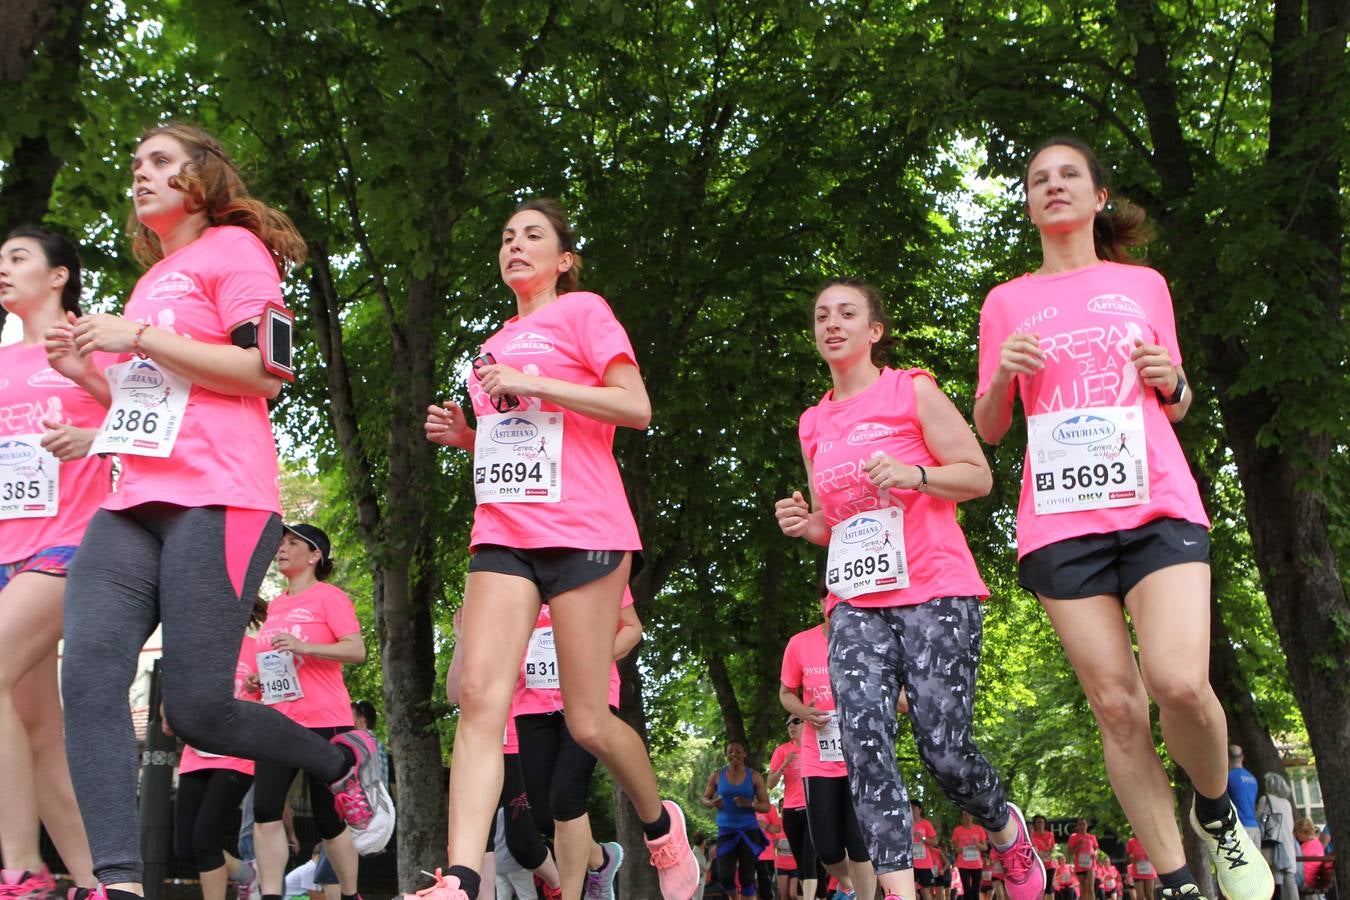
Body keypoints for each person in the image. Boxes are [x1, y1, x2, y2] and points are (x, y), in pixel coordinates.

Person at [51, 122, 380, 900]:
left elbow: (266, 371)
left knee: (199, 708)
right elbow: (155, 406)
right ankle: (119, 883)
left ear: (202, 177)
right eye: (134, 165)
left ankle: (341, 761)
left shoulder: (236, 253)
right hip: (134, 499)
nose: (141, 175)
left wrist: (138, 334)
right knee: (91, 678)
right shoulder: (150, 281)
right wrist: (91, 376)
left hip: (222, 499)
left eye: (160, 162)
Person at [972, 135, 1271, 900]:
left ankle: (1214, 812)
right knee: (1115, 704)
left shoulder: (1143, 284)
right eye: (1039, 179)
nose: (1054, 186)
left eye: (1069, 174)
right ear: (1030, 202)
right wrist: (1003, 374)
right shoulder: (1006, 302)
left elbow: (1177, 394)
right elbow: (990, 427)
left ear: (1098, 196)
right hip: (1062, 521)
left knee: (1177, 680)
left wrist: (1172, 378)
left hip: (1156, 501)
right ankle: (1174, 881)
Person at [416, 198, 698, 900]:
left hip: (587, 533)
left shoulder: (584, 312)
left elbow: (635, 407)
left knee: (588, 720)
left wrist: (534, 381)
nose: (515, 246)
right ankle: (459, 877)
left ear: (563, 259)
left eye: (532, 236)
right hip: (505, 534)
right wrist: (469, 438)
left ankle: (661, 827)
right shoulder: (493, 343)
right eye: (507, 237)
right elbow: (533, 446)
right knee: (481, 697)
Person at [775, 279, 1045, 900]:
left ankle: (1005, 829)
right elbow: (832, 522)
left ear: (874, 330)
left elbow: (977, 476)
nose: (832, 324)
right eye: (821, 315)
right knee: (864, 745)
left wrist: (913, 474)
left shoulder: (910, 389)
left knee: (944, 751)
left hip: (934, 591)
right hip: (853, 602)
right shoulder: (814, 422)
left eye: (847, 314)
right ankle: (896, 891)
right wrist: (806, 523)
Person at [0, 226, 101, 900]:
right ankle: (105, 884)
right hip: (6, 556)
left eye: (16, 258)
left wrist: (96, 435)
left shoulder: (91, 345)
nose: (1, 269)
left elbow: (162, 423)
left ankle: (22, 870)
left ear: (59, 274)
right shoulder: (2, 364)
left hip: (72, 546)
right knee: (39, 737)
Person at [248, 524, 369, 900]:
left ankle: (350, 895)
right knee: (266, 810)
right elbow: (277, 662)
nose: (282, 549)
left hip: (325, 721)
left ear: (315, 555)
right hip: (278, 722)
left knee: (329, 818)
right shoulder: (275, 605)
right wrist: (259, 679)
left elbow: (355, 650)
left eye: (292, 543)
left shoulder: (329, 598)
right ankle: (270, 894)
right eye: (280, 543)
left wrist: (306, 646)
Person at [512, 596, 638, 899]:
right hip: (530, 701)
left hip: (589, 693)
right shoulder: (511, 570)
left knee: (566, 797)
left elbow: (632, 628)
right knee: (544, 816)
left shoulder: (594, 561)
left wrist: (590, 657)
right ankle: (600, 859)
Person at [778, 598, 876, 899]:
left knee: (860, 845)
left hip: (861, 758)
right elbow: (786, 693)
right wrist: (805, 713)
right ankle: (848, 885)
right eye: (831, 599)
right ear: (822, 603)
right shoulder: (800, 644)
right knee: (827, 848)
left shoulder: (870, 639)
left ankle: (864, 895)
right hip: (818, 760)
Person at [167, 599, 265, 900]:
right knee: (185, 848)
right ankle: (245, 874)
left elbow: (280, 693)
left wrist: (263, 681)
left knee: (205, 840)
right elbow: (179, 689)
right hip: (197, 754)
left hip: (236, 754)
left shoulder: (258, 648)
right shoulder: (201, 649)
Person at [702, 740, 772, 897]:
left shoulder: (754, 776)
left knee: (747, 878)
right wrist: (712, 802)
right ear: (726, 754)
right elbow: (704, 799)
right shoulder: (717, 775)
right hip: (726, 830)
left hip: (749, 830)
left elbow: (766, 806)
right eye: (730, 751)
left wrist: (750, 804)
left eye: (738, 751)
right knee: (725, 876)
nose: (734, 754)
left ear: (745, 754)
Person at [767, 717, 819, 900]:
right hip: (790, 812)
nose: (791, 726)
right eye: (788, 724)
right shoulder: (782, 750)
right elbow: (770, 784)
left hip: (812, 810)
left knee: (808, 858)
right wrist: (783, 765)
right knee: (800, 861)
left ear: (806, 723)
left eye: (796, 721)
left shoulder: (816, 746)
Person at [1258, 772, 1298, 900]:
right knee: (1289, 879)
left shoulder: (1266, 799)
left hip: (1273, 843)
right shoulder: (1287, 803)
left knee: (1274, 880)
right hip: (1288, 846)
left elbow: (1260, 820)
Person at [1226, 747, 1260, 848]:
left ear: (1227, 757)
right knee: (1255, 863)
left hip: (1238, 828)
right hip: (1254, 828)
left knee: (1237, 862)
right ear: (1242, 757)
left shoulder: (1228, 778)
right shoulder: (1252, 779)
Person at [913, 802, 941, 900]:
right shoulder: (907, 824)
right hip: (910, 863)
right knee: (912, 890)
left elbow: (935, 842)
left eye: (914, 808)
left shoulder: (926, 824)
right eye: (910, 808)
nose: (912, 811)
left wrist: (923, 838)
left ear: (920, 810)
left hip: (924, 863)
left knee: (925, 890)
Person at [1066, 821, 1097, 900]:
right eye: (1080, 824)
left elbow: (1096, 849)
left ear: (1087, 826)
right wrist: (1078, 846)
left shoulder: (1092, 837)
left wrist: (1095, 854)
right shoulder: (1073, 837)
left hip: (1091, 864)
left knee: (1090, 888)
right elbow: (1070, 852)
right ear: (1077, 827)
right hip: (1080, 865)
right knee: (1083, 889)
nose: (1082, 826)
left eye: (1084, 824)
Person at [1030, 817, 1056, 900]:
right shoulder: (1032, 836)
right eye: (1038, 822)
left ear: (1045, 824)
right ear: (1035, 824)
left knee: (1049, 887)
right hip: (1038, 866)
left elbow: (1053, 848)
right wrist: (1038, 854)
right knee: (1040, 888)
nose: (1040, 824)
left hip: (1049, 865)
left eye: (1042, 822)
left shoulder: (1050, 834)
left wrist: (1049, 852)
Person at [1123, 833, 1154, 900]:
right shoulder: (1131, 841)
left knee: (1149, 894)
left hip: (1149, 870)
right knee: (1140, 897)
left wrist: (1150, 857)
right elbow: (1127, 856)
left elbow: (1156, 853)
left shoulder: (1149, 840)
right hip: (1137, 871)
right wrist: (1132, 859)